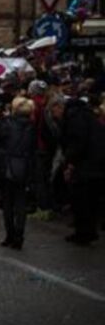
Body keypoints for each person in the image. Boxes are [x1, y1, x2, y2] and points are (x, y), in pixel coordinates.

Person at [0, 96, 36, 249]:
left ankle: (10, 234)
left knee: (8, 202)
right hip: (25, 166)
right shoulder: (31, 127)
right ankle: (19, 235)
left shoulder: (7, 123)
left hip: (7, 164)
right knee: (20, 203)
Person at [60, 95, 105, 245]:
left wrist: (70, 162)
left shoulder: (75, 119)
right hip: (97, 164)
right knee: (92, 200)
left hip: (85, 165)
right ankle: (89, 231)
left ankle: (83, 233)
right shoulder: (90, 117)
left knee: (81, 200)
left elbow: (77, 143)